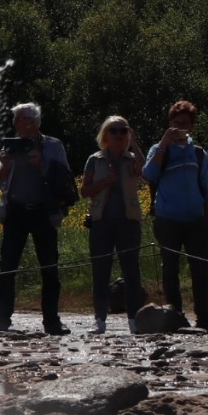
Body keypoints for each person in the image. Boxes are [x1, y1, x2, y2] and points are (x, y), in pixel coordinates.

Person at [0, 102, 74, 335]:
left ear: (35, 122)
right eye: (17, 119)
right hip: (16, 210)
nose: (20, 124)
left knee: (49, 267)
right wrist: (5, 165)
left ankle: (51, 320)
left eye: (25, 119)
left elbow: (64, 178)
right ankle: (2, 319)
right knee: (7, 266)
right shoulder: (11, 146)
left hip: (43, 210)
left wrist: (42, 164)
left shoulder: (53, 146)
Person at [143, 100, 208, 331]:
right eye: (175, 123)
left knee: (200, 272)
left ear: (191, 126)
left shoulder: (199, 153)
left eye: (184, 123)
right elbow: (148, 174)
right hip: (167, 218)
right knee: (170, 270)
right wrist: (164, 144)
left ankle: (204, 320)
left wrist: (207, 218)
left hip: (195, 219)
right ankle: (175, 318)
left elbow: (207, 189)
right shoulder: (158, 149)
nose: (179, 127)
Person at [82, 117, 144, 333]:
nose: (118, 134)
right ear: (105, 134)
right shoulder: (94, 159)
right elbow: (85, 191)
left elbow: (143, 172)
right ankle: (99, 319)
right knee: (101, 271)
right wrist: (105, 182)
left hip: (128, 222)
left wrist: (134, 143)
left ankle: (134, 320)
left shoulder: (132, 158)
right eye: (114, 130)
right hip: (101, 221)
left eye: (123, 130)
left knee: (131, 272)